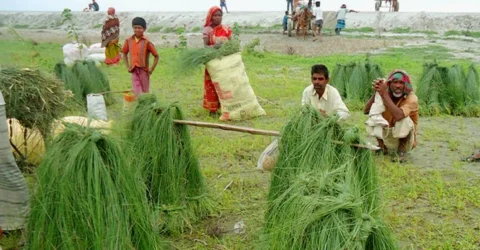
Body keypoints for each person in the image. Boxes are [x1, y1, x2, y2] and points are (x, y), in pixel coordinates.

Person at [363, 70, 418, 163]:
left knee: (403, 118)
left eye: (401, 83)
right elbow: (366, 111)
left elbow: (399, 116)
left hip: (406, 141)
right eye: (395, 82)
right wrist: (377, 92)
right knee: (374, 116)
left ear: (406, 85)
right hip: (387, 137)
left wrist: (384, 94)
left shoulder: (412, 98)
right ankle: (382, 148)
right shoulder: (385, 94)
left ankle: (401, 152)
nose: (398, 86)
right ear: (389, 84)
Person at [203, 6, 232, 117]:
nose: (218, 17)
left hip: (224, 60)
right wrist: (215, 47)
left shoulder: (225, 29)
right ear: (211, 16)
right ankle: (213, 109)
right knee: (213, 84)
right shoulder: (207, 30)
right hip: (212, 60)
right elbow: (205, 47)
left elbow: (231, 43)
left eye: (220, 15)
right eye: (215, 15)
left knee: (224, 83)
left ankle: (225, 107)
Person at [122, 17, 160, 96]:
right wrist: (128, 66)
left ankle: (146, 105)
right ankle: (139, 104)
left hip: (144, 70)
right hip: (133, 70)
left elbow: (156, 56)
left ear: (144, 29)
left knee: (145, 90)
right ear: (132, 28)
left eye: (140, 28)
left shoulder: (147, 42)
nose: (137, 30)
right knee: (136, 90)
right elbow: (124, 53)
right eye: (135, 28)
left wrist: (151, 69)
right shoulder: (128, 41)